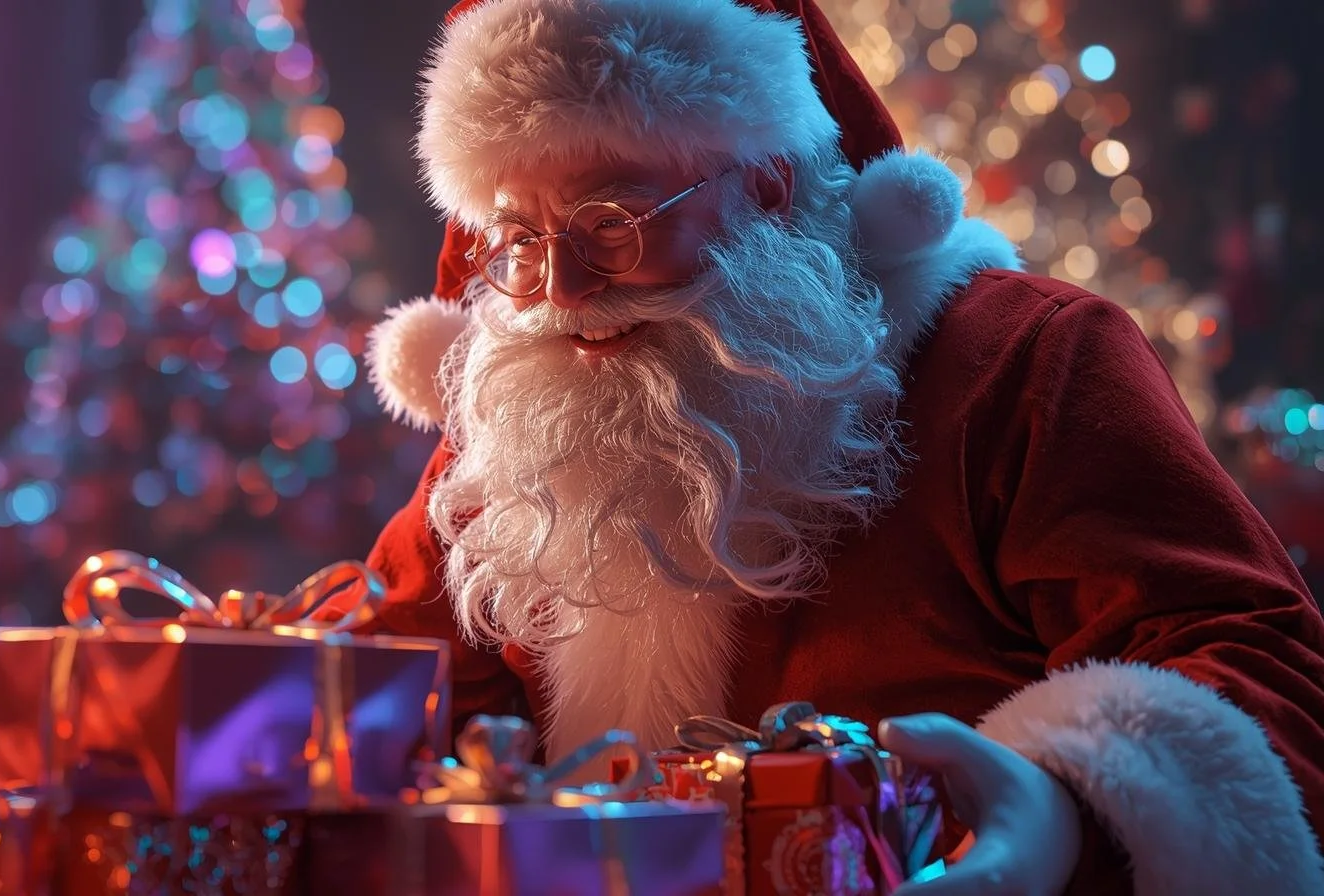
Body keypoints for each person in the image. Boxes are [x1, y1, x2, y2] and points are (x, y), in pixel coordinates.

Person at [345, 0, 1324, 892]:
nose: (560, 287)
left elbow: (1252, 659)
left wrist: (1066, 812)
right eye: (518, 237)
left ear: (767, 182)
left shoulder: (1016, 360)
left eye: (609, 221)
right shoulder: (528, 411)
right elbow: (385, 682)